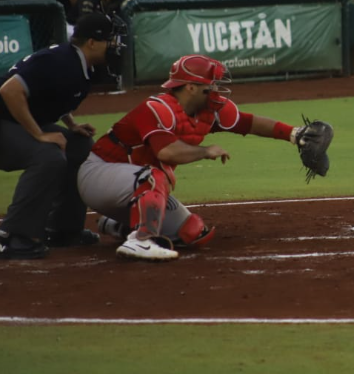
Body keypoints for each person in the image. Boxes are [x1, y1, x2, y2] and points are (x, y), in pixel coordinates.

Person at [78, 55, 330, 261]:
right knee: (154, 176)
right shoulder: (157, 108)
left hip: (132, 187)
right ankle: (140, 240)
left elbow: (247, 123)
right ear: (190, 87)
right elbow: (166, 152)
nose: (216, 90)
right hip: (98, 175)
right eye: (211, 84)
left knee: (193, 232)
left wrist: (294, 134)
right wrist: (205, 151)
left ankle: (115, 224)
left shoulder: (207, 111)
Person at [0, 13, 126, 260]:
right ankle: (13, 235)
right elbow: (9, 90)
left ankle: (62, 229)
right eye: (110, 40)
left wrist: (71, 124)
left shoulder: (77, 64)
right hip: (3, 120)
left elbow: (52, 95)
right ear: (91, 42)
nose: (115, 45)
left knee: (78, 145)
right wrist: (39, 134)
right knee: (48, 156)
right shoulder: (59, 61)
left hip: (10, 121)